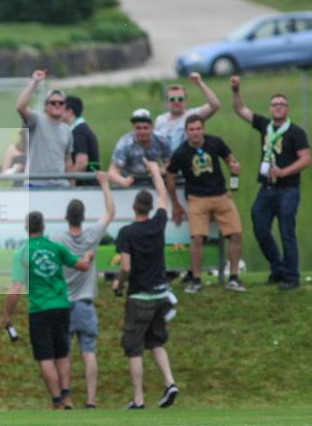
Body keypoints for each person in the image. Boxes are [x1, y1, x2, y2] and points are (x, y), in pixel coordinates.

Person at [3, 211, 94, 410]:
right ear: (43, 227)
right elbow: (82, 266)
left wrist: (7, 315)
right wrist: (88, 257)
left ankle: (56, 400)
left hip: (39, 309)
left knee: (46, 357)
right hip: (61, 306)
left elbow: (16, 287)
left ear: (26, 228)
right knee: (62, 354)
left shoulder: (22, 253)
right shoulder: (55, 247)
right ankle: (67, 397)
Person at [231, 76, 310, 291]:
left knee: (287, 232)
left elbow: (306, 159)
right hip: (266, 188)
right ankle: (277, 268)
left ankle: (291, 276)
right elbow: (240, 109)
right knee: (260, 228)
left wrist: (283, 172)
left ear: (287, 108)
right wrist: (236, 90)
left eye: (281, 104)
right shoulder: (265, 126)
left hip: (288, 189)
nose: (277, 107)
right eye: (274, 104)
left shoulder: (295, 132)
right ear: (270, 108)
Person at [112, 160, 179, 409]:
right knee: (156, 341)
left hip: (139, 297)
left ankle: (138, 399)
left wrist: (118, 283)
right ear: (151, 208)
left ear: (134, 207)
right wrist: (154, 171)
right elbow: (163, 195)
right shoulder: (158, 224)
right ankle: (170, 382)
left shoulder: (127, 233)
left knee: (134, 347)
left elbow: (126, 267)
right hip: (160, 294)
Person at [50, 171, 115, 409]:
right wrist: (104, 184)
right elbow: (110, 213)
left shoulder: (57, 240)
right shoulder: (91, 237)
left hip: (63, 304)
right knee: (89, 353)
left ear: (66, 218)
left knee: (63, 354)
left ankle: (65, 397)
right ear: (83, 217)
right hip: (85, 304)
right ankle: (91, 400)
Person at [166, 115, 245, 293]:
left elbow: (230, 160)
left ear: (203, 129)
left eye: (198, 129)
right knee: (197, 238)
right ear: (186, 132)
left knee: (236, 234)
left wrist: (234, 167)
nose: (195, 133)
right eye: (191, 130)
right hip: (197, 198)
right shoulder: (180, 152)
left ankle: (234, 277)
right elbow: (170, 178)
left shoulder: (215, 142)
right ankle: (196, 279)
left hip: (221, 195)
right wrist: (176, 204)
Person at [14, 70, 73, 186]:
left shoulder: (67, 130)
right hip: (36, 184)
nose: (57, 104)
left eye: (61, 103)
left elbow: (68, 160)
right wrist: (35, 81)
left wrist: (71, 185)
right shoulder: (37, 120)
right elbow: (20, 107)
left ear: (65, 106)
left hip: (60, 186)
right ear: (46, 106)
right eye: (53, 102)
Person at [155, 73, 221, 151]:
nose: (176, 102)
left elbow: (215, 105)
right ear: (167, 102)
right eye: (172, 99)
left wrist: (199, 83)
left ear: (185, 101)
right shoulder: (160, 120)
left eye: (180, 99)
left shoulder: (192, 116)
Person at [108, 109, 172, 187]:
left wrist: (159, 171)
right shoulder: (124, 143)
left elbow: (170, 165)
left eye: (145, 128)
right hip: (130, 184)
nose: (142, 132)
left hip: (153, 182)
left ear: (152, 127)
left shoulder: (161, 140)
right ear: (133, 128)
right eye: (138, 128)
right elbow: (112, 172)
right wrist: (124, 181)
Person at [63, 96, 100, 186]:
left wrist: (69, 182)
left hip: (86, 187)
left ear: (70, 111)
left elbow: (82, 162)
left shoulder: (79, 132)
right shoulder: (81, 129)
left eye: (62, 108)